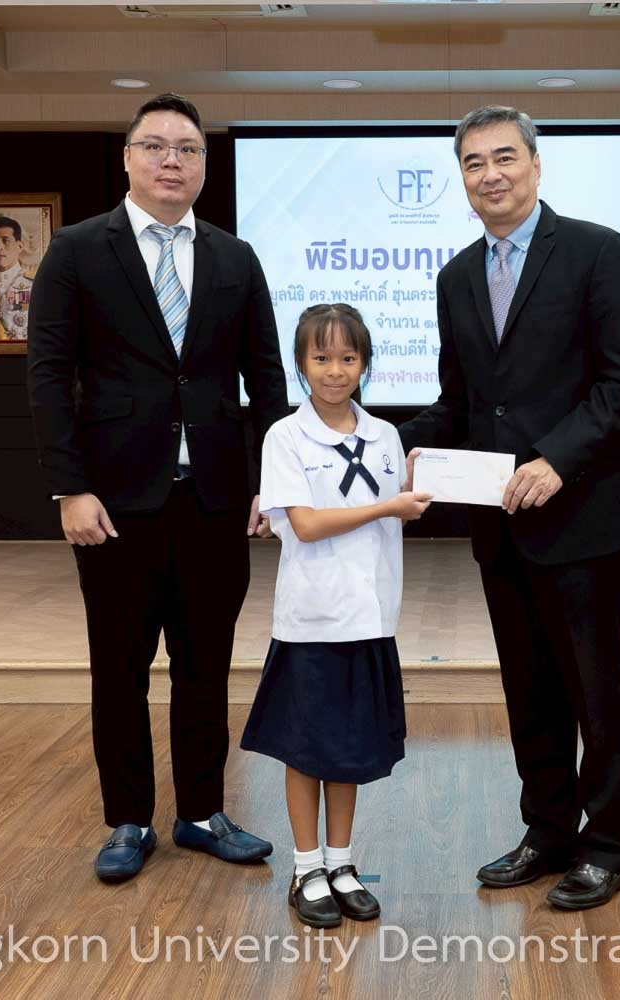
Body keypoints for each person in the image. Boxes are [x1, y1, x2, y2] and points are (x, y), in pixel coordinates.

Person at [27, 93, 290, 882]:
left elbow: (266, 379)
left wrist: (273, 479)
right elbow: (48, 375)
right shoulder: (77, 250)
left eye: (188, 149)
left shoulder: (236, 258)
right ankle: (129, 821)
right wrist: (69, 488)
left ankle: (202, 812)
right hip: (113, 504)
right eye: (156, 146)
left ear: (205, 164)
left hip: (215, 500)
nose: (172, 160)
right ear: (128, 158)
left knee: (205, 667)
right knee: (120, 670)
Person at [399, 105, 620, 911]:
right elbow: (462, 403)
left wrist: (557, 461)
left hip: (578, 520)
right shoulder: (456, 277)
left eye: (504, 157)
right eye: (473, 163)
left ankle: (608, 848)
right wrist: (381, 443)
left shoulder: (597, 251)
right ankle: (547, 833)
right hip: (498, 527)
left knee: (593, 693)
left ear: (536, 165)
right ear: (462, 178)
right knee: (528, 691)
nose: (490, 174)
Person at [241, 303, 429, 928]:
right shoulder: (284, 437)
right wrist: (389, 507)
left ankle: (342, 863)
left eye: (348, 358)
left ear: (365, 363)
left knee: (347, 747)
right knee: (306, 749)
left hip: (369, 619)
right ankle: (305, 868)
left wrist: (410, 496)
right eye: (321, 358)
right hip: (312, 621)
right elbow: (307, 524)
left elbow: (394, 512)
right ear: (300, 364)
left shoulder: (385, 436)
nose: (335, 370)